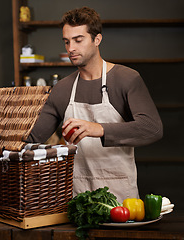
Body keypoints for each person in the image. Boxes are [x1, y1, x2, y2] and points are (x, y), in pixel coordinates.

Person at [26, 6, 163, 203]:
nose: (71, 48)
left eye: (78, 40)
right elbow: (32, 139)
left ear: (97, 39)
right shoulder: (63, 89)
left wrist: (98, 129)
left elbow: (152, 128)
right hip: (77, 200)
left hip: (121, 201)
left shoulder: (127, 79)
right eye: (66, 41)